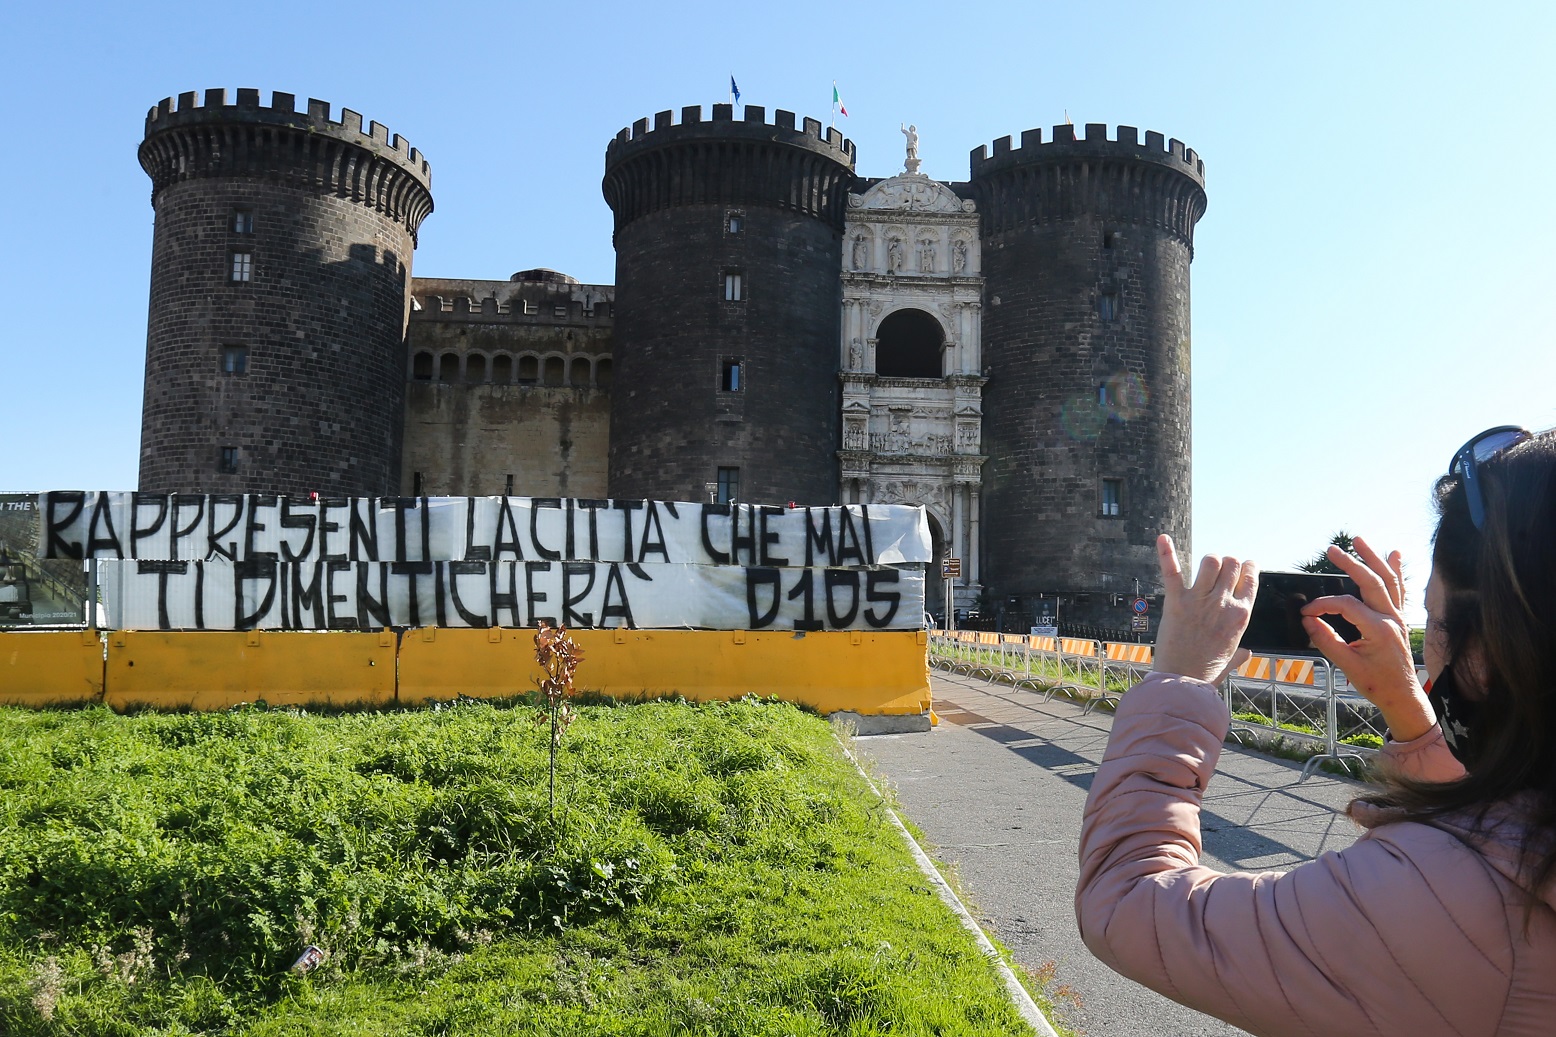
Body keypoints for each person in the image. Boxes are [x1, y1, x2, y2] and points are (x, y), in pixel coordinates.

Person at [1076, 426, 1556, 1036]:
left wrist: (1179, 681)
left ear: (1500, 646)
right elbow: (1503, 825)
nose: (1426, 644)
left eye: (1432, 620)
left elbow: (1127, 902)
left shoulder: (1440, 899)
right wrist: (1409, 709)